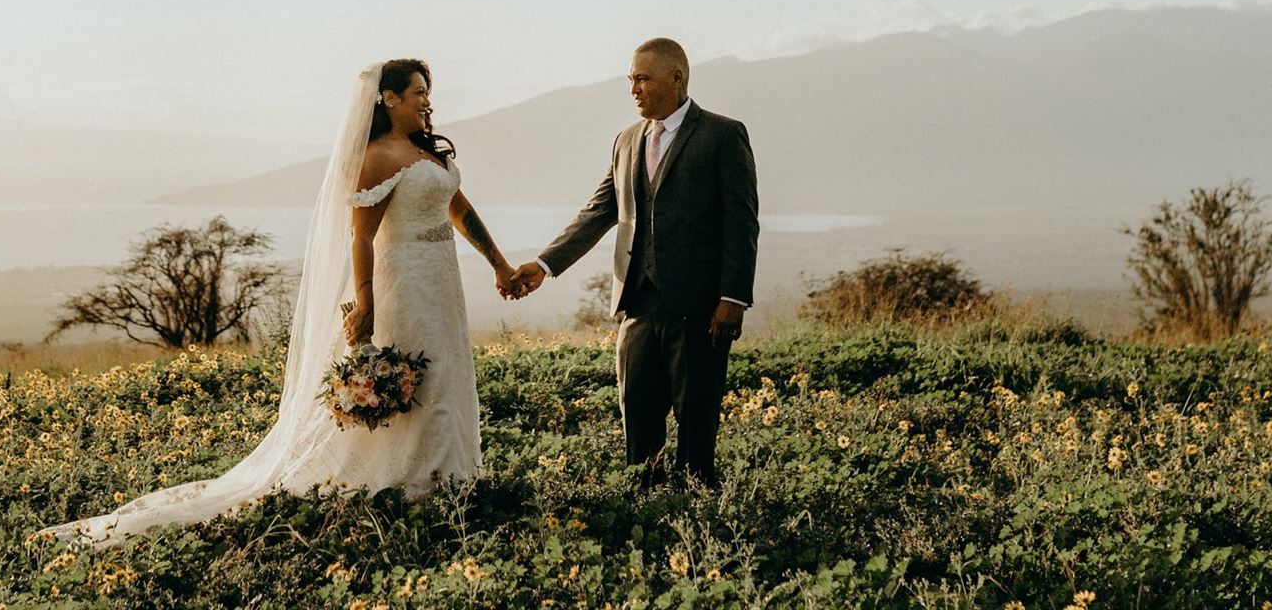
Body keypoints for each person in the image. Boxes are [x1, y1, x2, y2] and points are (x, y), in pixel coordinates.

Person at [41, 58, 508, 543]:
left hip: (442, 282)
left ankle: (453, 479)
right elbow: (361, 238)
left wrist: (499, 264)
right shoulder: (377, 158)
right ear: (388, 99)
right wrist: (365, 305)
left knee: (449, 372)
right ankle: (415, 486)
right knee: (420, 377)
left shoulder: (428, 153)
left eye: (427, 91)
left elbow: (459, 208)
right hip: (403, 285)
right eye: (417, 92)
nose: (426, 99)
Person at [506, 38, 759, 489]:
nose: (634, 89)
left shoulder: (723, 134)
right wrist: (544, 265)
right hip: (636, 303)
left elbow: (741, 221)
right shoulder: (626, 140)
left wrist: (733, 297)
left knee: (696, 419)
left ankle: (700, 510)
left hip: (700, 306)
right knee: (637, 414)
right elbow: (599, 211)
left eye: (643, 78)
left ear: (676, 77)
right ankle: (645, 507)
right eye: (631, 80)